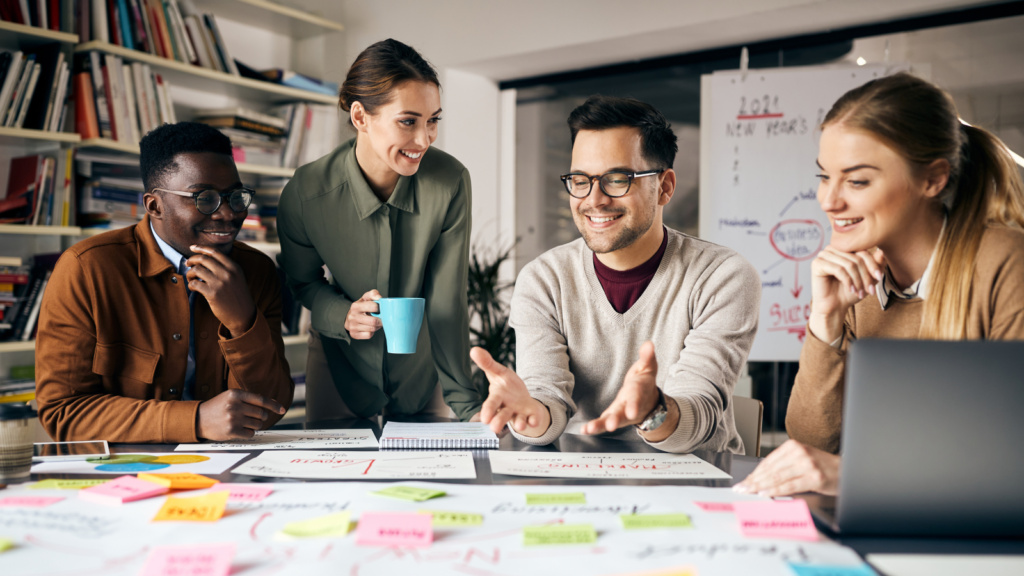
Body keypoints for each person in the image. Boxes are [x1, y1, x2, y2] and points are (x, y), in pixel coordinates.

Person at [734, 72, 1024, 497]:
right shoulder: (860, 279)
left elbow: (1008, 461)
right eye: (824, 176)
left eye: (857, 181)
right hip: (886, 522)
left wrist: (853, 475)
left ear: (932, 179)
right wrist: (826, 319)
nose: (829, 200)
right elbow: (811, 446)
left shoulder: (1006, 262)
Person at [471, 96, 761, 452]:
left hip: (692, 479)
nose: (594, 199)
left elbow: (701, 412)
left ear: (665, 187)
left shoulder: (723, 277)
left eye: (617, 179)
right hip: (578, 480)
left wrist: (653, 410)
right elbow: (546, 398)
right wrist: (532, 413)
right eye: (580, 180)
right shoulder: (544, 279)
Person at [35, 122, 294, 443]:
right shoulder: (86, 268)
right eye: (205, 197)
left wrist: (242, 324)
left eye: (235, 196)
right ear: (154, 205)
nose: (228, 213)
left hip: (228, 468)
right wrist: (195, 420)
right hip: (126, 471)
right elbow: (62, 413)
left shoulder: (257, 270)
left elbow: (272, 408)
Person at [276, 39, 482, 423]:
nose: (424, 139)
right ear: (360, 117)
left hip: (424, 367)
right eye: (408, 121)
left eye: (433, 120)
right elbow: (301, 282)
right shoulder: (306, 192)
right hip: (341, 360)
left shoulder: (450, 181)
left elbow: (447, 298)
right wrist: (342, 315)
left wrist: (466, 405)